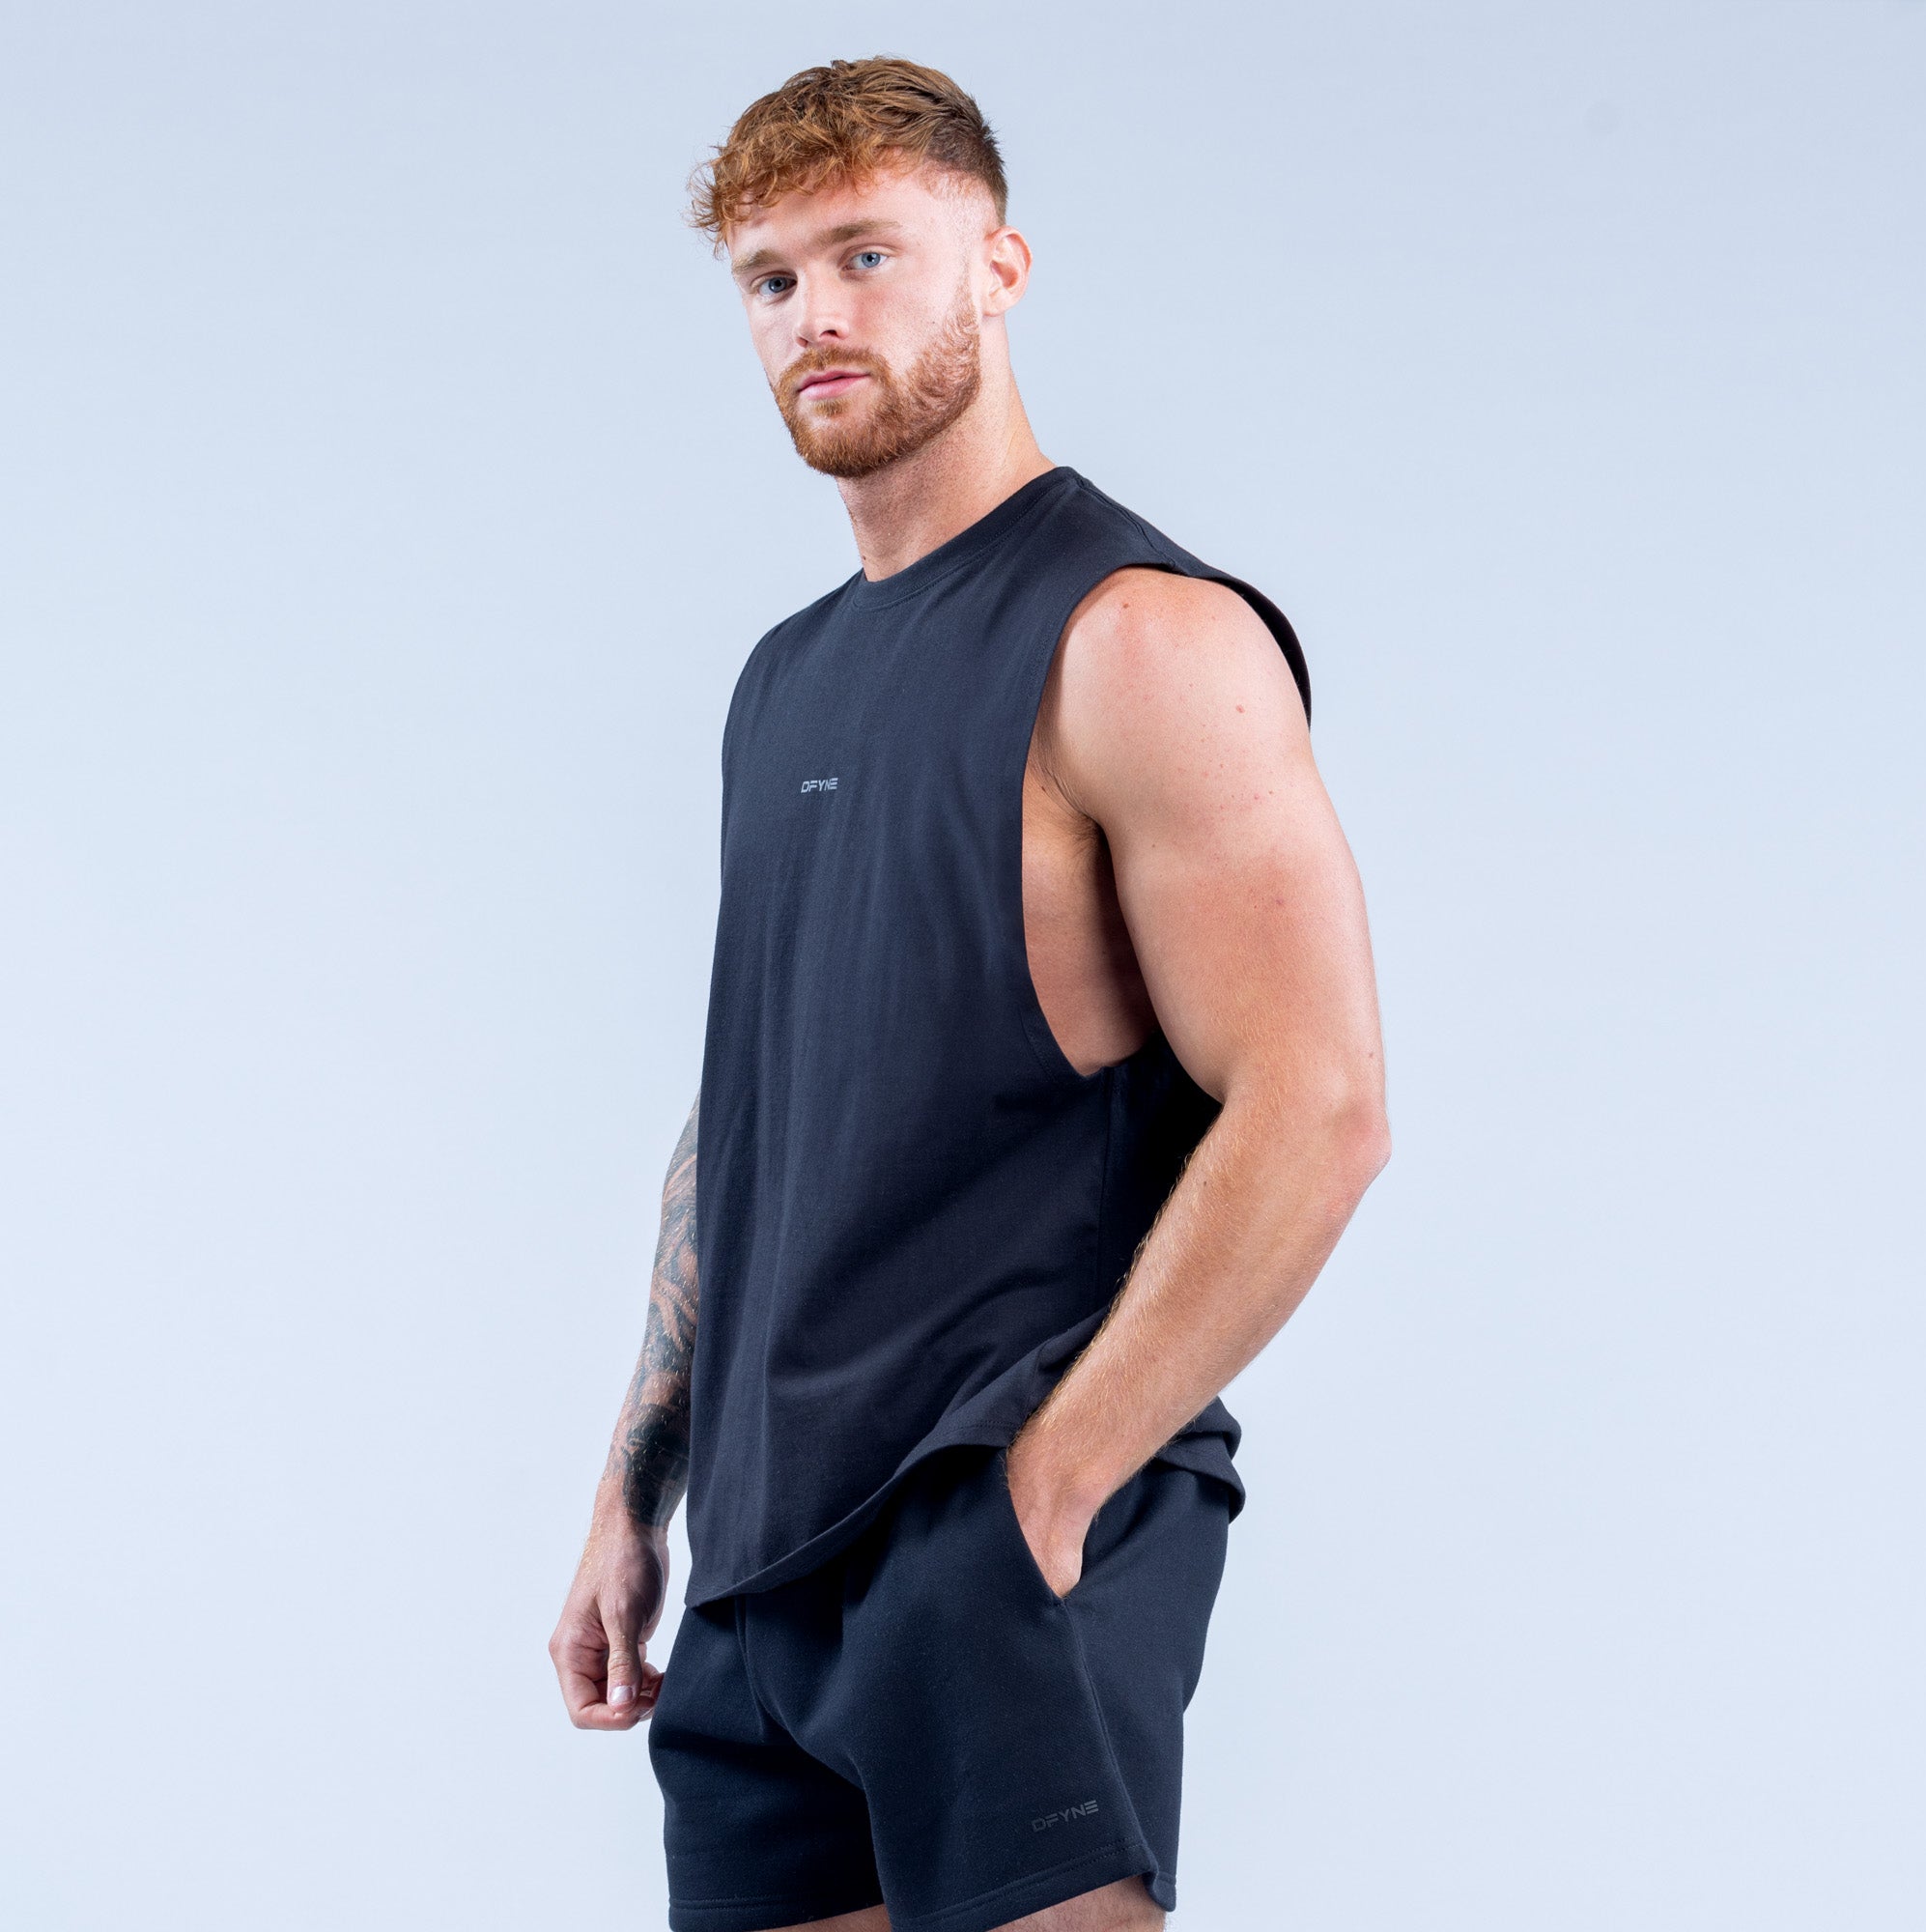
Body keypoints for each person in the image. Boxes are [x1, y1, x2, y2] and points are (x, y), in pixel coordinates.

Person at [550, 56, 1389, 1932]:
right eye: (772, 279)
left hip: (991, 1520)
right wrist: (635, 1486)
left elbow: (1319, 1105)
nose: (816, 315)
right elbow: (753, 1109)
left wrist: (1054, 1492)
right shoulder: (782, 679)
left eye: (868, 254)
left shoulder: (1140, 637)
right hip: (761, 1561)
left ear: (998, 267)